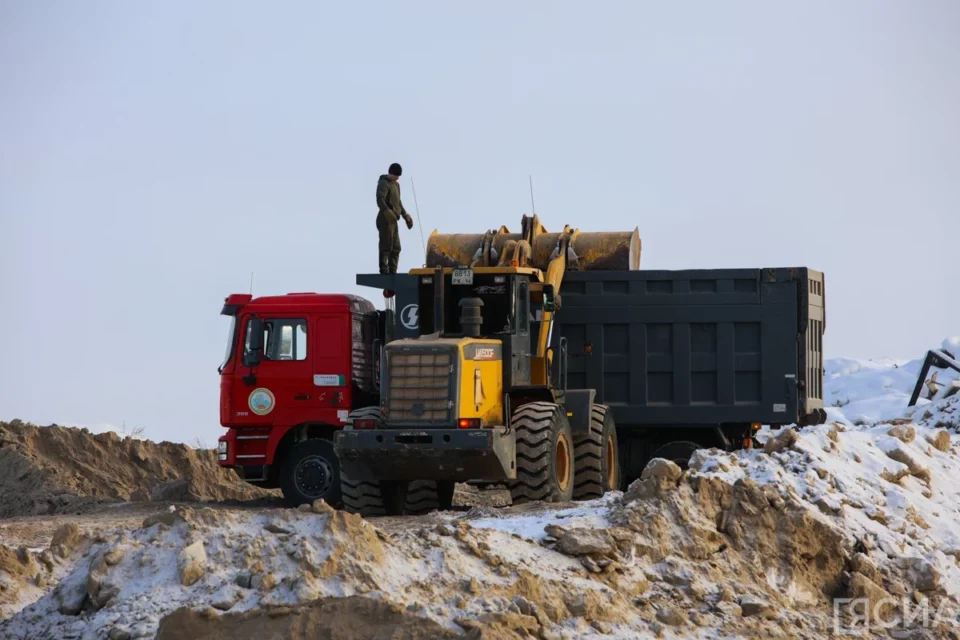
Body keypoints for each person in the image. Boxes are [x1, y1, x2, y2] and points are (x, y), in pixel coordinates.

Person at [376, 163, 414, 274]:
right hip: (385, 219)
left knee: (396, 247)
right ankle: (384, 269)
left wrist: (405, 214)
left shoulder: (396, 185)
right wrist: (386, 211)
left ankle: (393, 270)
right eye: (396, 175)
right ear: (391, 173)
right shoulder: (383, 183)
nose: (398, 178)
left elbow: (398, 202)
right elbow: (380, 199)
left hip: (394, 220)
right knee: (386, 245)